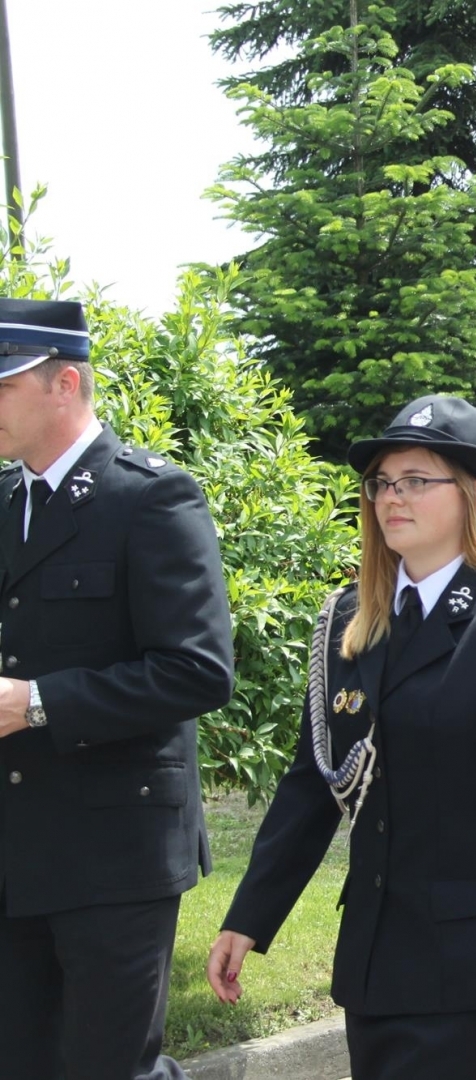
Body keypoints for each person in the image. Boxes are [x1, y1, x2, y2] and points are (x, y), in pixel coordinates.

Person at [207, 395, 476, 1079]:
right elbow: (314, 781)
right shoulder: (351, 623)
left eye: (417, 481)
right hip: (379, 959)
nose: (393, 497)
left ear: (475, 495)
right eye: (382, 483)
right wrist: (249, 916)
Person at [0, 299, 235, 1080]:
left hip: (115, 852)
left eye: (2, 387)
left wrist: (37, 702)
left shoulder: (150, 499)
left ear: (64, 384)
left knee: (108, 1068)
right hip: (15, 843)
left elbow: (198, 668)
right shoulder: (4, 505)